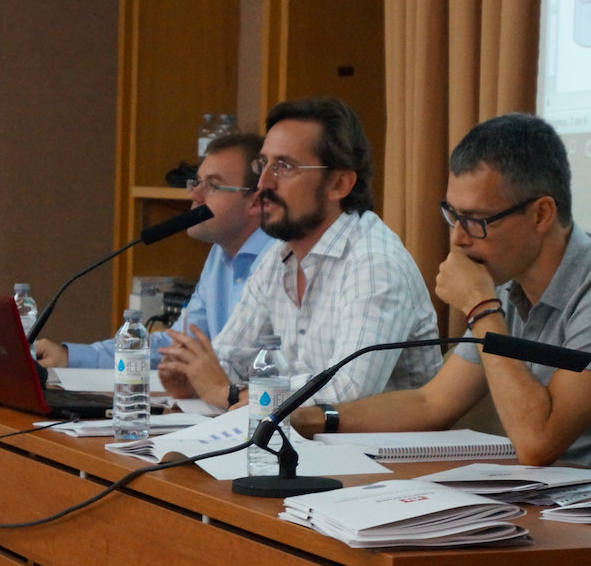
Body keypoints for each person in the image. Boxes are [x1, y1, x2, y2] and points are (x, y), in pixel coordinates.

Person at [290, 113, 591, 487]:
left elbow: (537, 443)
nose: (458, 238)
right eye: (452, 215)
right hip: (555, 504)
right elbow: (431, 402)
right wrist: (315, 417)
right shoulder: (509, 285)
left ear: (541, 214)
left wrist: (481, 309)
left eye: (475, 220)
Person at [158, 97, 442, 408]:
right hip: (298, 435)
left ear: (339, 184)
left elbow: (348, 391)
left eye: (283, 167)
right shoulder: (278, 258)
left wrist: (229, 392)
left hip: (380, 440)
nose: (263, 183)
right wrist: (192, 377)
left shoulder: (375, 262)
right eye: (262, 165)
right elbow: (228, 361)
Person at [34, 134, 277, 369]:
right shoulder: (219, 257)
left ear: (255, 202)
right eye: (196, 183)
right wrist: (70, 357)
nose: (194, 195)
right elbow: (178, 345)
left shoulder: (280, 260)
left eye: (211, 185)